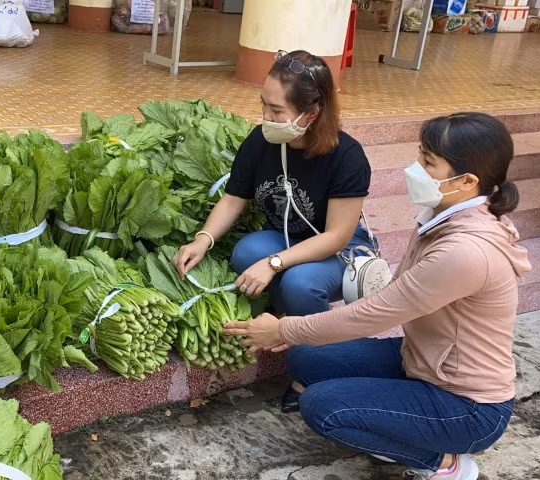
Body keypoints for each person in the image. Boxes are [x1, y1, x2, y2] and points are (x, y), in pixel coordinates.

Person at [223, 112, 532, 480]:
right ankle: (390, 415)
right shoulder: (446, 213)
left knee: (323, 407)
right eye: (419, 155)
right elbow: (399, 294)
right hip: (420, 360)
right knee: (306, 360)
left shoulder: (465, 251)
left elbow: (375, 315)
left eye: (428, 162)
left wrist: (283, 329)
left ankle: (445, 464)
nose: (415, 168)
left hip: (467, 405)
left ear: (466, 181)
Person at [174, 49, 375, 411]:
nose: (266, 116)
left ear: (312, 112)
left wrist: (275, 263)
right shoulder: (261, 140)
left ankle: (315, 368)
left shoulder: (347, 156)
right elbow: (234, 197)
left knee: (300, 282)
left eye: (277, 110)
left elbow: (336, 236)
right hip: (287, 236)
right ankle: (290, 320)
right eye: (263, 105)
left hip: (337, 249)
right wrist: (202, 239)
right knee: (246, 252)